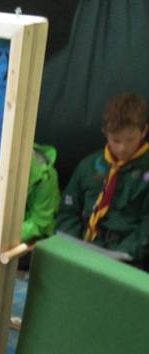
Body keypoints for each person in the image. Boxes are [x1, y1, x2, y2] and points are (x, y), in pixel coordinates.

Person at [55, 92, 149, 267]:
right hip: (84, 249)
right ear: (105, 133)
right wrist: (72, 244)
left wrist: (123, 254)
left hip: (129, 258)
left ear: (144, 131)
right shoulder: (89, 166)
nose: (122, 148)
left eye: (130, 140)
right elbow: (67, 211)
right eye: (116, 140)